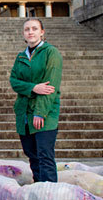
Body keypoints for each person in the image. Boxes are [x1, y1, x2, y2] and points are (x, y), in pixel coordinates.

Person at [9, 18, 63, 183]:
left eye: (34, 28)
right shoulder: (21, 57)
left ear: (42, 32)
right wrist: (33, 87)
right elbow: (14, 81)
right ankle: (39, 187)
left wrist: (40, 113)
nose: (30, 32)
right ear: (23, 34)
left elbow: (50, 87)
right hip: (24, 112)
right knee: (31, 153)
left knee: (44, 154)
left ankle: (50, 191)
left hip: (44, 113)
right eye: (27, 29)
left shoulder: (50, 53)